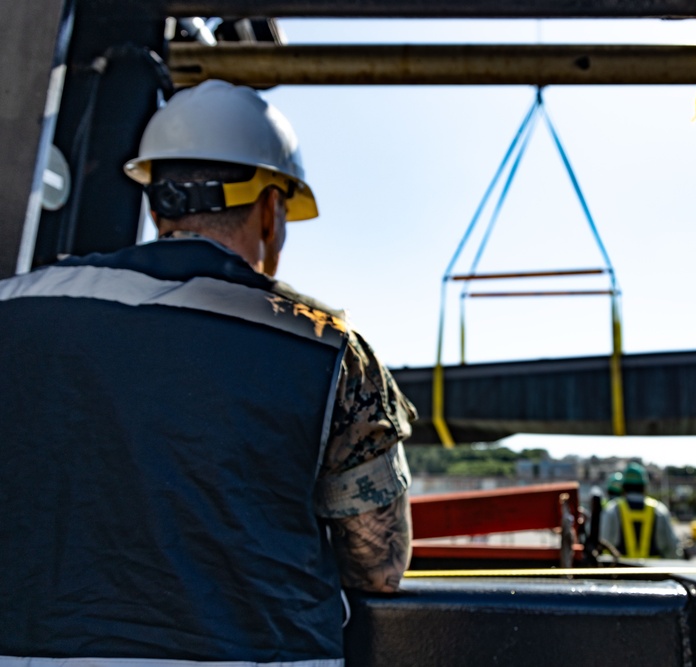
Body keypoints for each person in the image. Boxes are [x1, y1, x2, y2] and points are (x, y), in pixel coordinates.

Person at [0, 80, 416, 666]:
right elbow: (378, 565)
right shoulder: (325, 347)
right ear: (272, 212)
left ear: (155, 204)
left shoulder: (12, 312)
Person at [600, 462, 682, 559]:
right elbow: (672, 549)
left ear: (623, 487)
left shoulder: (612, 509)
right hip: (653, 572)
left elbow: (603, 544)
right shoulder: (659, 510)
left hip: (620, 572)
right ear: (644, 487)